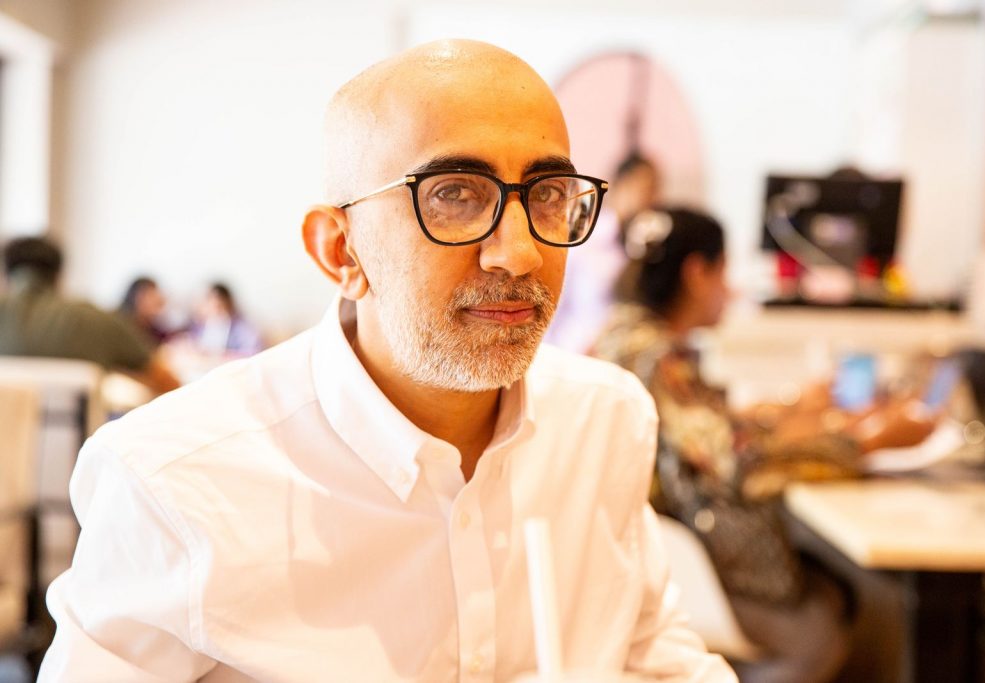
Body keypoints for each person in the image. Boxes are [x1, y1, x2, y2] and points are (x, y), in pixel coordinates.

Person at [39, 41, 736, 682]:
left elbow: (655, 657)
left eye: (548, 195)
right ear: (340, 251)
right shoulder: (175, 481)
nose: (520, 253)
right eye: (455, 194)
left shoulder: (604, 421)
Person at [592, 207, 935, 683]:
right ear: (697, 273)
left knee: (831, 591)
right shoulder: (656, 357)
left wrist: (794, 411)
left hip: (641, 553)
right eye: (724, 271)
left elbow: (704, 430)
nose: (731, 290)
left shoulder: (622, 338)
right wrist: (867, 441)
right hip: (676, 563)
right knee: (819, 631)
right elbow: (738, 462)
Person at [0, 237, 179, 394]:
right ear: (59, 275)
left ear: (6, 275)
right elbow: (168, 382)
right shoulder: (97, 319)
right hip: (90, 424)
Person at [544, 151, 660, 353]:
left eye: (655, 190)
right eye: (644, 188)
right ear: (619, 186)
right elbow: (553, 304)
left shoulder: (646, 246)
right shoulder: (584, 238)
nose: (650, 199)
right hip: (576, 353)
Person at [184, 282, 263, 357]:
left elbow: (253, 352)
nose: (214, 310)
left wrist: (225, 355)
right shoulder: (199, 326)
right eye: (211, 304)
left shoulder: (242, 329)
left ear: (228, 304)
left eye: (219, 306)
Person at [117, 276, 174, 344]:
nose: (156, 299)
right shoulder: (124, 326)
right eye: (150, 296)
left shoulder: (152, 328)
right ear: (136, 297)